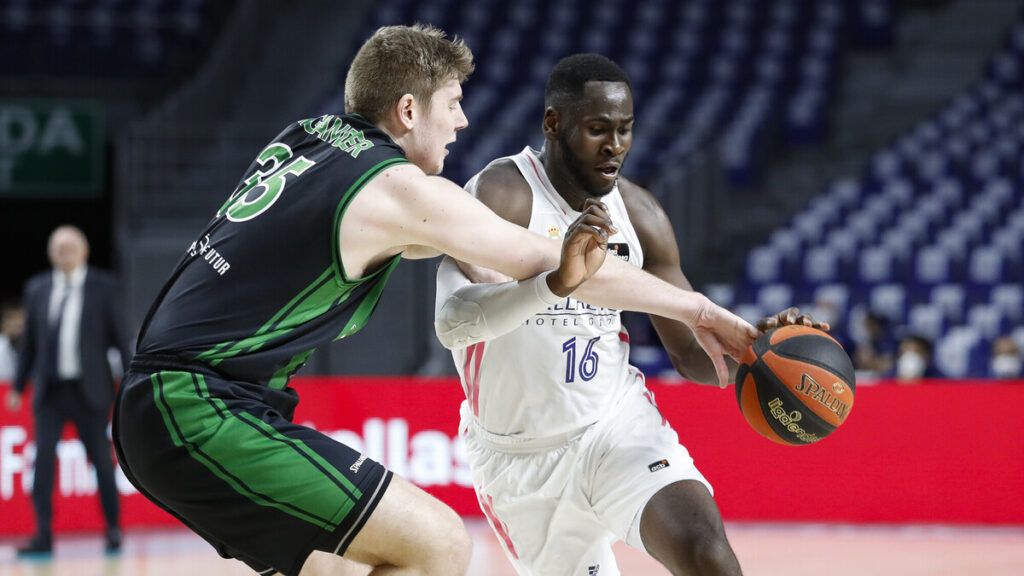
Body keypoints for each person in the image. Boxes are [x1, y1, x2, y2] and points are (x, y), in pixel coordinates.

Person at [113, 26, 757, 576]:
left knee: (343, 563)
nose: (463, 121)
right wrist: (700, 310)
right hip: (197, 408)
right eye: (452, 103)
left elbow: (483, 259)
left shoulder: (309, 137)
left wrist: (525, 275)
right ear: (408, 111)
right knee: (439, 545)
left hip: (173, 403)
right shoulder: (404, 192)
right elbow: (553, 266)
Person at [434, 54, 827, 576]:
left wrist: (759, 352)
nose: (615, 146)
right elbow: (458, 324)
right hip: (520, 460)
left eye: (625, 130)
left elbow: (692, 356)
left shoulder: (640, 216)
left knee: (707, 553)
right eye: (598, 129)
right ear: (554, 123)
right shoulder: (502, 195)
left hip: (616, 427)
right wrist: (554, 282)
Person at [7, 225, 127, 555]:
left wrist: (132, 382)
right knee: (42, 463)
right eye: (59, 248)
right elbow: (29, 343)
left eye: (71, 247)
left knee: (102, 462)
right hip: (50, 392)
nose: (65, 253)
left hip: (90, 390)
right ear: (51, 253)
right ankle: (42, 534)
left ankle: (113, 529)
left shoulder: (103, 286)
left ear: (84, 251)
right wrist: (18, 386)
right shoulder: (38, 288)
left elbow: (120, 338)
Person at [0, 301, 25, 382]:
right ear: (3, 324)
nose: (15, 324)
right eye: (11, 319)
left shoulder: (36, 346)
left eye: (19, 319)